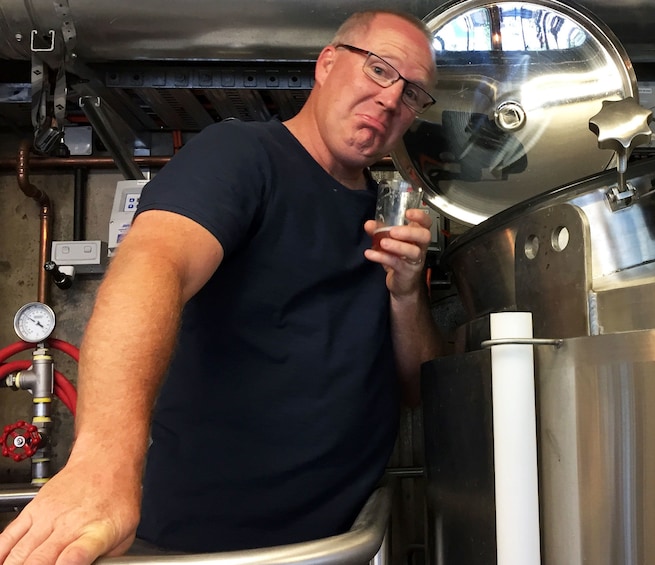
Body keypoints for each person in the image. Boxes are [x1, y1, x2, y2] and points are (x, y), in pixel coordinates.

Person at [0, 8, 444, 564]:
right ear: (328, 64)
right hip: (202, 546)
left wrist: (406, 293)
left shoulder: (381, 216)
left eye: (412, 94)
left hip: (331, 543)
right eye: (380, 70)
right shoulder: (242, 156)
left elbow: (419, 390)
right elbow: (153, 267)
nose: (390, 99)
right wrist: (101, 465)